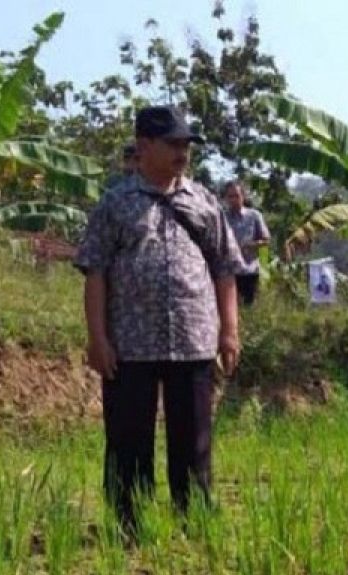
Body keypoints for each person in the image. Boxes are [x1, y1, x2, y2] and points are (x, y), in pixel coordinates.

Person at [74, 106, 244, 534]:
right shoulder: (116, 204)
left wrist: (230, 332)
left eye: (186, 144)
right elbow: (94, 272)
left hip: (193, 339)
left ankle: (195, 519)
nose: (182, 152)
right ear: (144, 146)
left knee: (193, 440)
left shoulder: (203, 201)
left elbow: (225, 268)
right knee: (128, 439)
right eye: (173, 144)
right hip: (130, 344)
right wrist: (97, 338)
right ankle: (131, 523)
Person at [221, 180, 271, 306]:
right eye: (230, 196)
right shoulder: (222, 218)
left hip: (249, 270)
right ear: (226, 198)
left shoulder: (254, 216)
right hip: (229, 271)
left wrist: (250, 245)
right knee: (230, 308)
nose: (233, 199)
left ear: (243, 196)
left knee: (249, 306)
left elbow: (266, 241)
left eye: (236, 196)